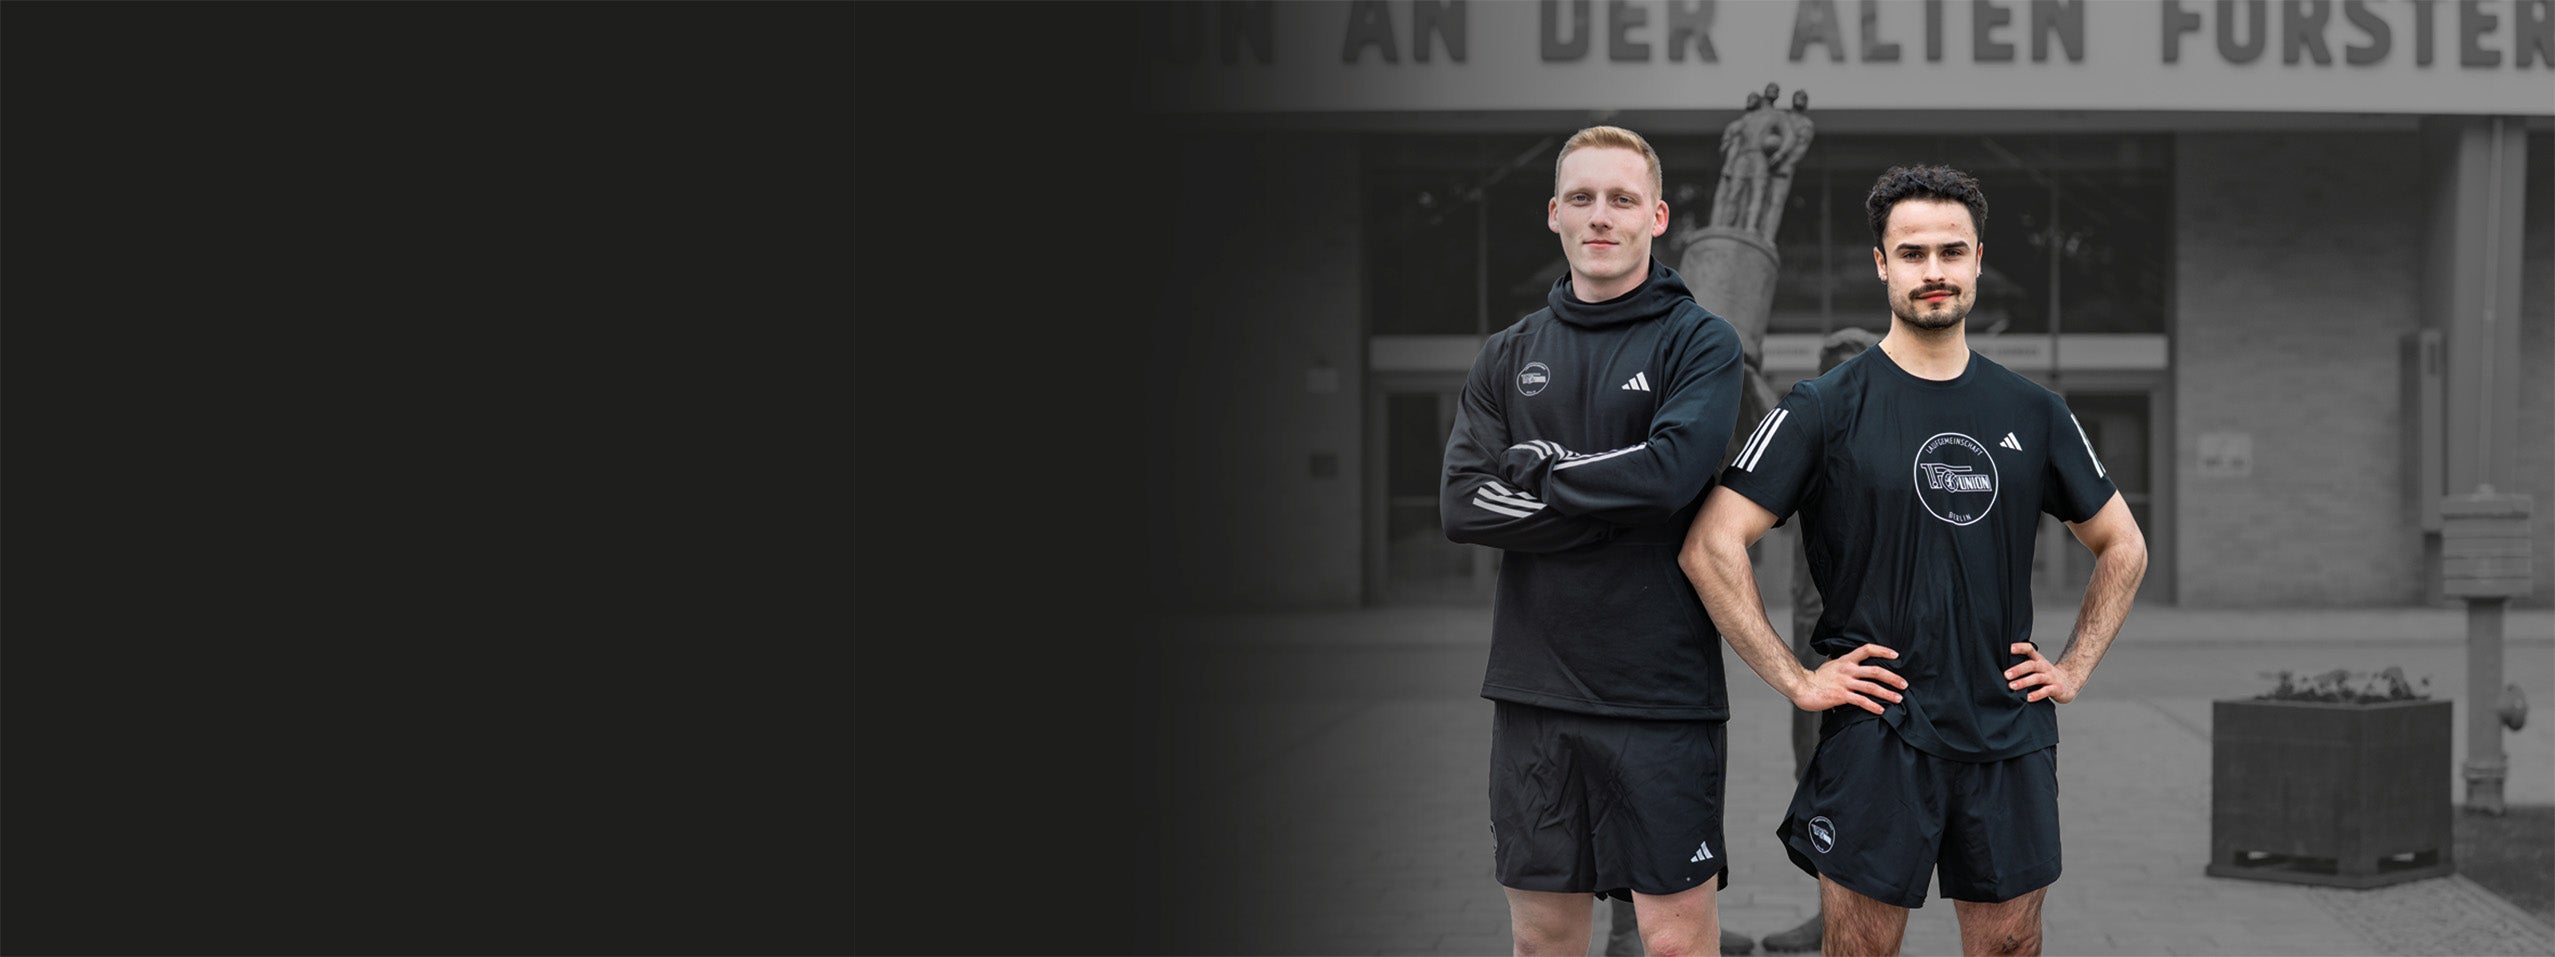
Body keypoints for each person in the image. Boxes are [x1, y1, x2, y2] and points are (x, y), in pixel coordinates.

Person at [1678, 165, 2147, 956]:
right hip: (1877, 726)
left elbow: (2122, 543)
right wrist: (1797, 679)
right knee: (1860, 945)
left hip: (2007, 725)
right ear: (1881, 264)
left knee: (2009, 944)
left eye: (1950, 251)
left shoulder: (2034, 410)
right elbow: (1710, 543)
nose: (1933, 270)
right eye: (1912, 252)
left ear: (1976, 259)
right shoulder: (1823, 406)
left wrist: (2073, 665)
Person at [1441, 124, 1746, 956]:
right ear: (1554, 214)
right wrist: (1615, 502)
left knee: (1675, 940)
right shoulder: (1507, 353)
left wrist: (1543, 471)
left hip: (1661, 696)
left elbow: (1671, 476)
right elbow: (1463, 504)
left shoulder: (1699, 341)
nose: (1599, 215)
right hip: (1535, 693)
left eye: (1620, 199)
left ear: (1656, 215)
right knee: (1541, 939)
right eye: (1581, 198)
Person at [1756, 325, 1876, 954]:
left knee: (1865, 782)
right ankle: (1833, 911)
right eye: (1833, 370)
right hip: (1814, 643)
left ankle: (1854, 915)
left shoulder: (1885, 439)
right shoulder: (1815, 434)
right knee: (1815, 772)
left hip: (1875, 643)